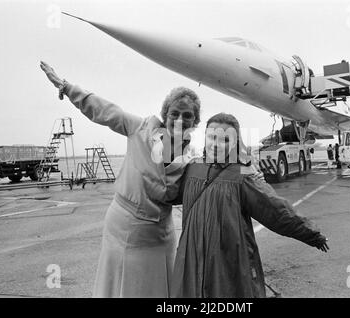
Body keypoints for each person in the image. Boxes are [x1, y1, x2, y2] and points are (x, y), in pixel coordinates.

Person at [40, 61, 201, 297]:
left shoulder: (190, 158)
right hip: (125, 228)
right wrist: (66, 86)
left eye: (187, 116)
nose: (180, 119)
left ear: (194, 122)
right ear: (165, 114)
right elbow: (104, 111)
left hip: (160, 235)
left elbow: (188, 193)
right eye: (174, 113)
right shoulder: (140, 129)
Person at [171, 113, 329, 298]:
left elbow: (274, 209)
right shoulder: (192, 169)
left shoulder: (242, 175)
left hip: (227, 261)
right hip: (191, 257)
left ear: (235, 143)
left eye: (225, 139)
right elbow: (167, 192)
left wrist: (310, 234)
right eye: (212, 137)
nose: (216, 144)